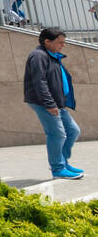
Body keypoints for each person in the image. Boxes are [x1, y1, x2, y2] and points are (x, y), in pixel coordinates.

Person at [24, 27, 84, 179]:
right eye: (60, 42)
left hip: (58, 102)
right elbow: (40, 82)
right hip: (44, 102)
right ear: (47, 41)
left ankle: (62, 162)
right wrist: (49, 104)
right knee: (57, 133)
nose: (63, 45)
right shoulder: (38, 56)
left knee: (73, 131)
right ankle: (58, 169)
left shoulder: (52, 55)